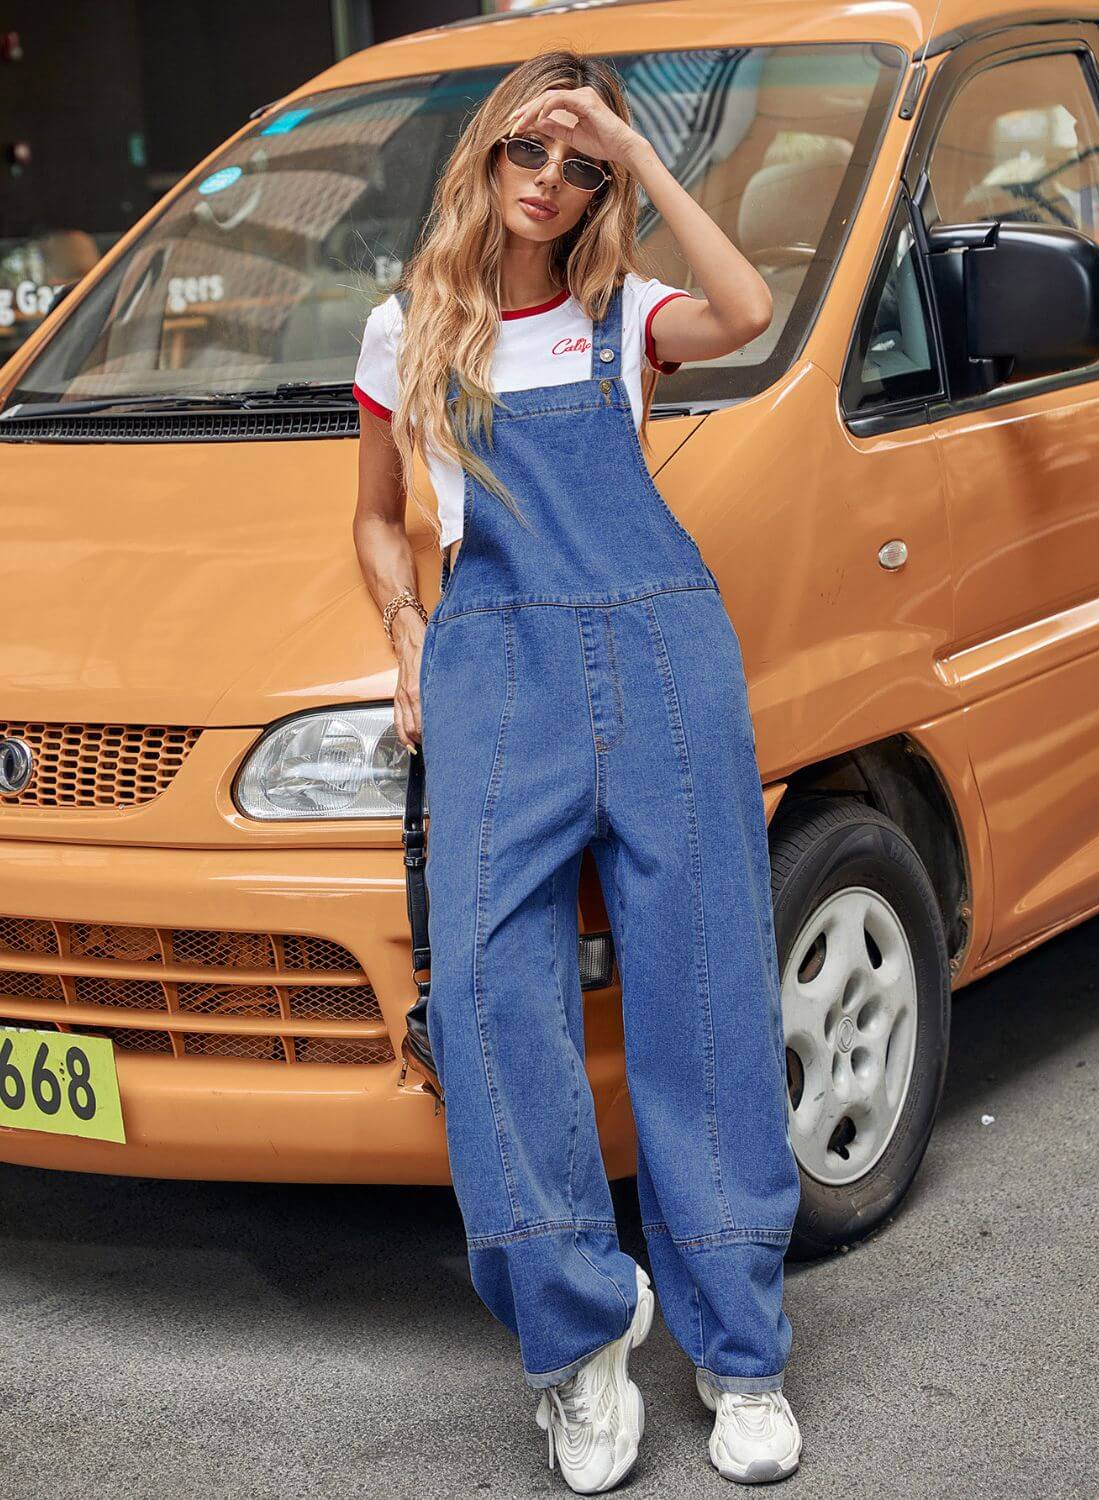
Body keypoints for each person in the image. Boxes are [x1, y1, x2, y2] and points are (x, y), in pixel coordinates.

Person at [351, 48, 802, 1494]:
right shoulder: (402, 331)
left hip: (664, 654)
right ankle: (579, 1342)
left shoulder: (621, 316)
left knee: (705, 988)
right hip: (492, 667)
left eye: (578, 166)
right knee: (485, 1005)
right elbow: (373, 521)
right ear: (483, 159)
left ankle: (740, 1355)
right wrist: (412, 643)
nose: (547, 184)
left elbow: (748, 310)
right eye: (529, 154)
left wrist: (642, 150)